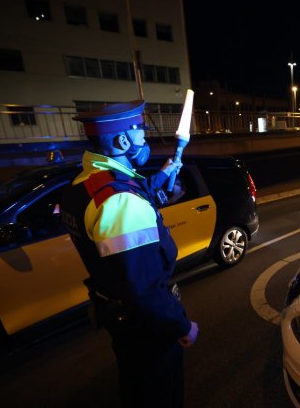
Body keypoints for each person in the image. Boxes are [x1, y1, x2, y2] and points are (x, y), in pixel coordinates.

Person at [60, 100, 198, 407]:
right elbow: (144, 289)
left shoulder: (83, 186)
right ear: (122, 140)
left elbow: (123, 195)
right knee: (161, 394)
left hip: (119, 318)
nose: (145, 142)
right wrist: (182, 326)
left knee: (135, 386)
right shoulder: (122, 201)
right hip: (146, 325)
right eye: (141, 135)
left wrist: (163, 175)